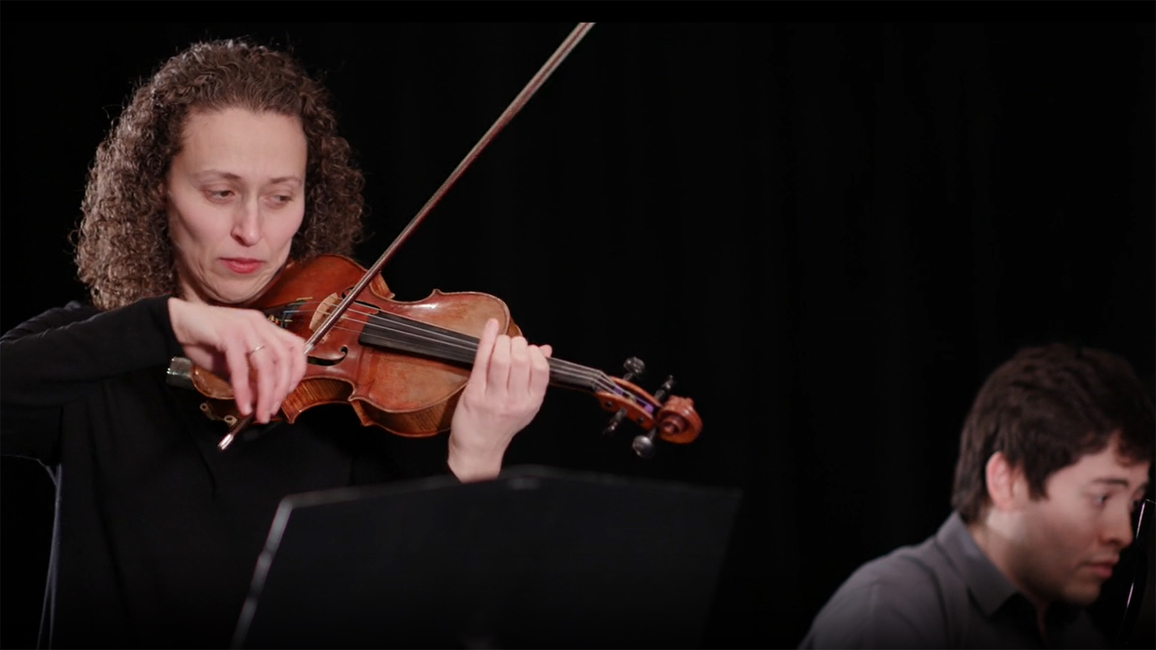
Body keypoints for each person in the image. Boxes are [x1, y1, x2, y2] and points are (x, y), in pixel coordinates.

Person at [0, 39, 553, 648]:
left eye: (280, 197)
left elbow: (426, 620)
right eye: (221, 192)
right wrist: (170, 324)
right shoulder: (95, 357)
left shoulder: (348, 395)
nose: (253, 231)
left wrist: (475, 461)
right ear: (157, 189)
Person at [800, 344, 1154, 648]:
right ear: (1007, 481)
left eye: (1134, 504)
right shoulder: (889, 612)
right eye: (1101, 498)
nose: (1123, 535)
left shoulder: (1074, 631)